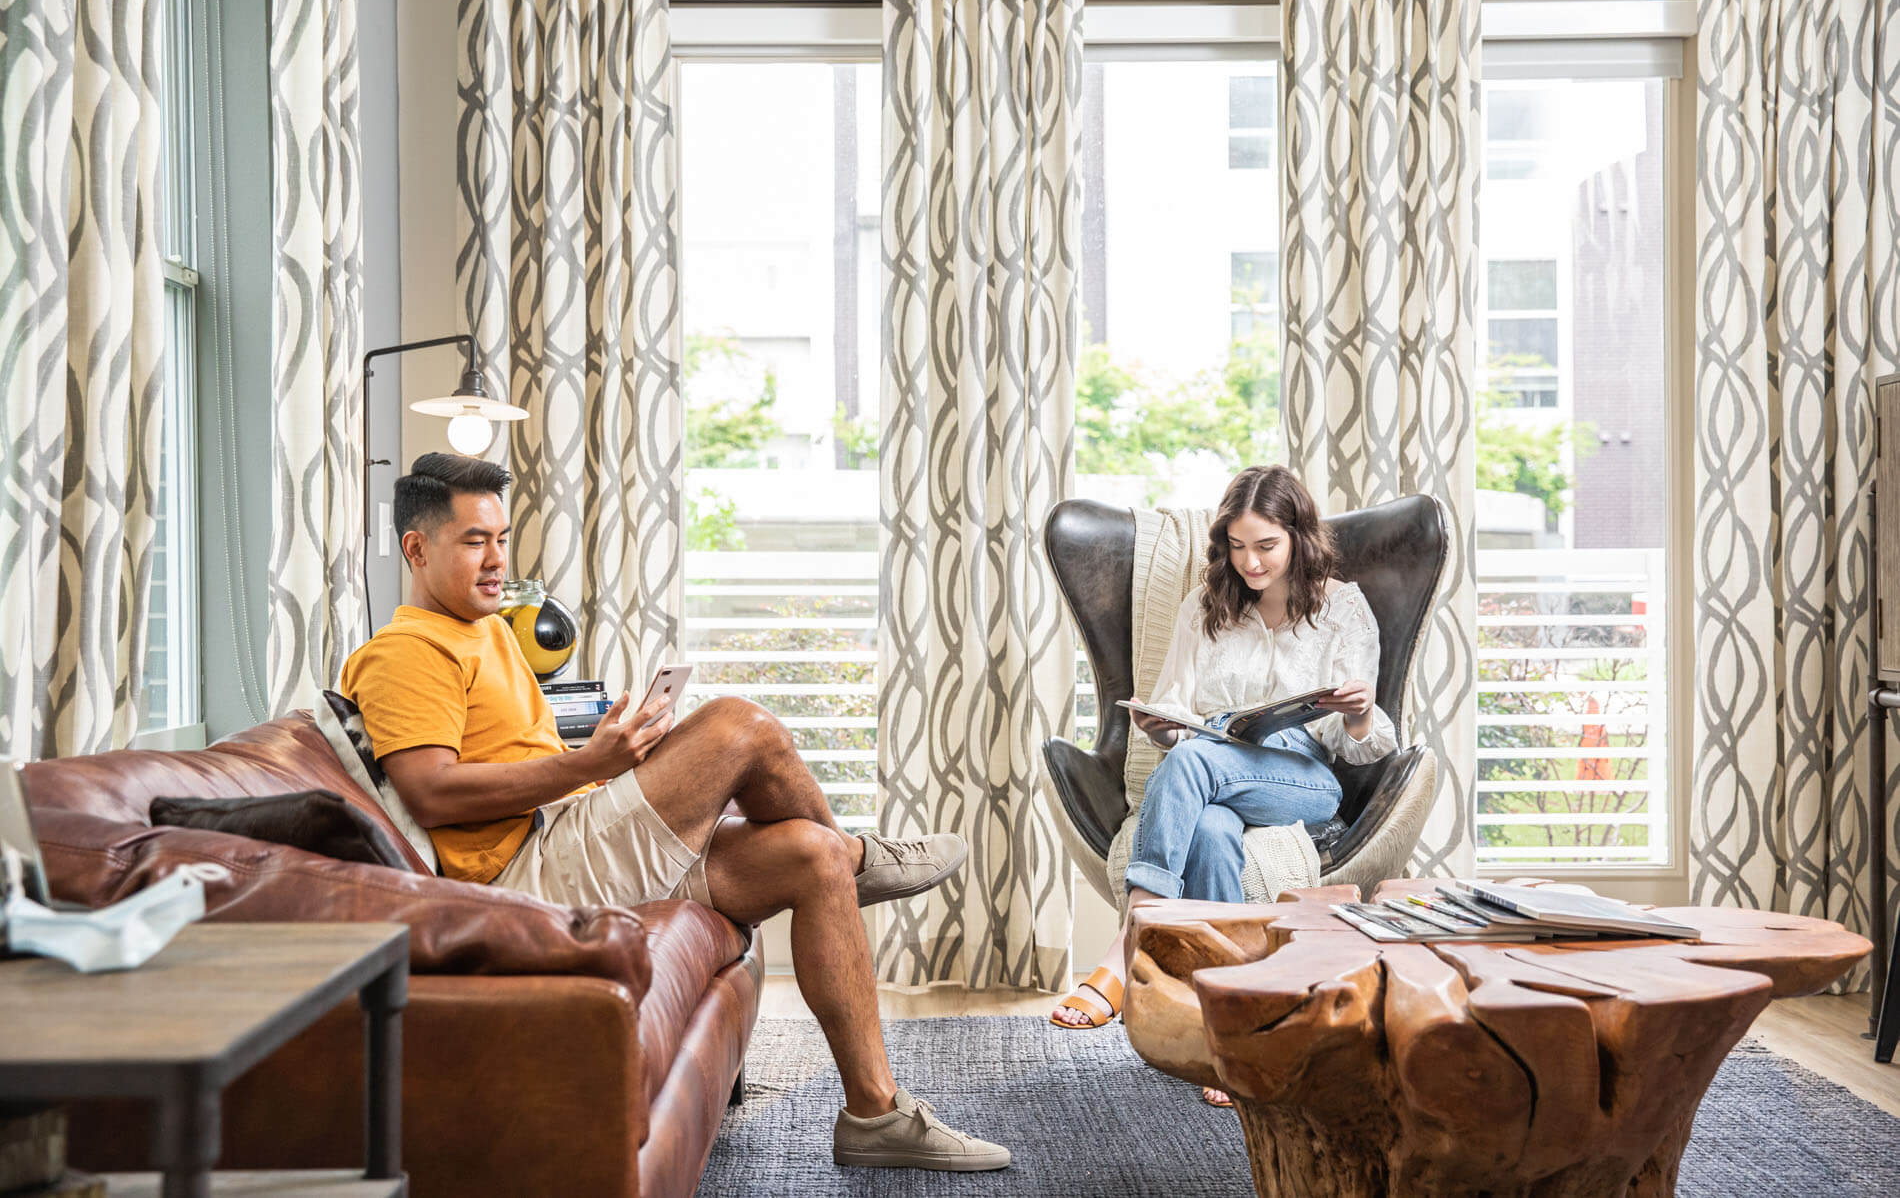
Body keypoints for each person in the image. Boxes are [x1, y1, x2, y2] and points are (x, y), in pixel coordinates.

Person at [341, 453, 1010, 1172]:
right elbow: (432, 790)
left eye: (503, 537)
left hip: (568, 829)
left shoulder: (491, 630)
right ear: (416, 547)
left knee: (809, 858)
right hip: (520, 872)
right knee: (739, 725)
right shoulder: (406, 650)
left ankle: (875, 1114)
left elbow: (503, 751)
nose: (498, 559)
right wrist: (589, 764)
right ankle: (864, 857)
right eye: (475, 541)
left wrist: (610, 753)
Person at [1048, 465, 1396, 1107]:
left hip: (1304, 776)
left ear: (1298, 536)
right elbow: (1180, 718)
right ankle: (1227, 1039)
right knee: (1205, 817)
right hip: (1210, 755)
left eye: (1266, 545)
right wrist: (1158, 727)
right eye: (1237, 547)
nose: (1251, 562)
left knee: (1193, 766)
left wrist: (1356, 712)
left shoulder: (1342, 608)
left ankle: (1130, 943)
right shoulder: (1207, 607)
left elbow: (1367, 746)